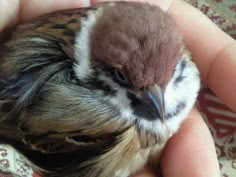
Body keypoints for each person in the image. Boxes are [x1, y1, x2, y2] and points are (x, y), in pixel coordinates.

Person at [1, 0, 235, 177]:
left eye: (171, 72)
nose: (157, 102)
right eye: (121, 76)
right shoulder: (104, 124)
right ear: (94, 65)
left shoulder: (163, 47)